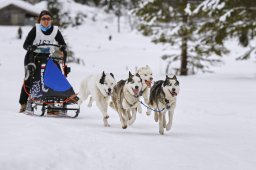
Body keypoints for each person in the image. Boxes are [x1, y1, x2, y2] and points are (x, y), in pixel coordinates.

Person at [19, 10, 67, 113]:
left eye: (48, 19)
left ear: (51, 20)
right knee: (29, 79)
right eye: (44, 19)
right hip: (32, 57)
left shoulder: (55, 30)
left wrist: (62, 47)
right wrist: (30, 47)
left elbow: (62, 43)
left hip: (46, 57)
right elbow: (25, 44)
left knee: (52, 78)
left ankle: (50, 105)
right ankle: (23, 103)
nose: (46, 21)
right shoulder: (35, 29)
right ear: (40, 20)